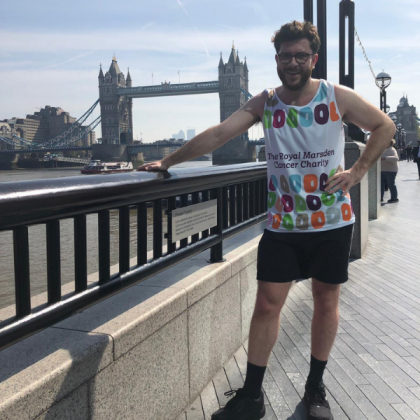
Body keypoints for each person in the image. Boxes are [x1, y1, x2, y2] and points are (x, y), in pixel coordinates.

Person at [138, 20, 395, 420]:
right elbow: (220, 134)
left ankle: (315, 388)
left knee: (326, 303)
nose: (292, 63)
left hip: (331, 221)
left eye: (300, 55)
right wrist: (169, 161)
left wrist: (358, 171)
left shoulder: (336, 96)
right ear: (276, 59)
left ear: (313, 58)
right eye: (285, 56)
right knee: (266, 305)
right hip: (282, 226)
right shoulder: (266, 101)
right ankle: (252, 396)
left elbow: (385, 126)